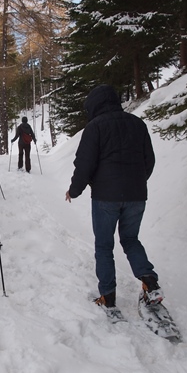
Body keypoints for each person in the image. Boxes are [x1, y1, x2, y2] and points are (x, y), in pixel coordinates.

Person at [65, 84, 163, 321]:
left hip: (105, 198)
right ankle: (149, 280)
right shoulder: (137, 123)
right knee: (130, 239)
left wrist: (74, 190)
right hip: (137, 195)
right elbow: (148, 160)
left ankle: (107, 296)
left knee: (104, 246)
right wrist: (136, 183)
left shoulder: (95, 127)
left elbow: (84, 164)